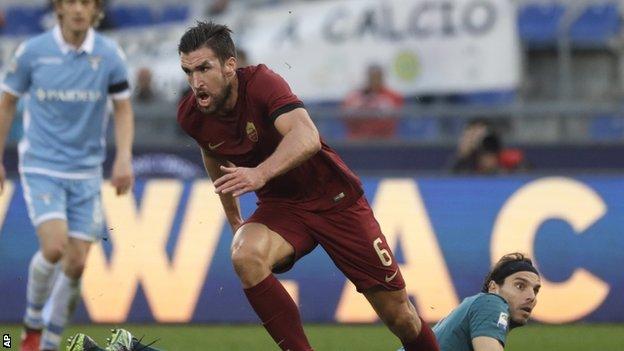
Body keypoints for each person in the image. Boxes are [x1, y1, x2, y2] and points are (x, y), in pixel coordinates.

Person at [176, 21, 438, 351]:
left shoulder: (262, 83)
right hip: (282, 208)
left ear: (230, 65)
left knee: (400, 316)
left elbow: (307, 137)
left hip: (336, 200)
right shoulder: (192, 114)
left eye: (204, 68)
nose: (196, 82)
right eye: (188, 72)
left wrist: (259, 174)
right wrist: (233, 217)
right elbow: (212, 153)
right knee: (244, 254)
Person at [0, 1, 134, 350]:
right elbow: (7, 102)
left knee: (76, 261)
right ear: (59, 8)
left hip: (86, 172)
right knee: (55, 246)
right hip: (42, 165)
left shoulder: (109, 54)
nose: (78, 9)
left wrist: (123, 158)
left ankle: (50, 343)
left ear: (96, 10)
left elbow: (123, 107)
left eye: (86, 2)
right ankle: (32, 326)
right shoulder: (33, 52)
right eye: (71, 1)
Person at [430, 253, 541, 351]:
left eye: (535, 290)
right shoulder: (491, 302)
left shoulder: (470, 309)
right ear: (493, 288)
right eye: (520, 285)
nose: (532, 297)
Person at [342, 64, 404, 140]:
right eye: (372, 77)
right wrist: (361, 104)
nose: (375, 80)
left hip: (384, 140)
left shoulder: (393, 96)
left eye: (377, 77)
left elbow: (392, 120)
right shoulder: (355, 96)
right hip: (359, 139)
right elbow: (346, 117)